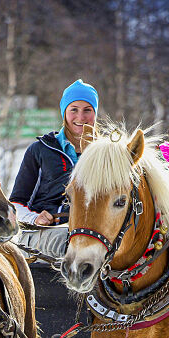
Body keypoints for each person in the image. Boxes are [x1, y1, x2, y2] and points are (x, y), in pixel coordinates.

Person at [10, 79, 99, 228]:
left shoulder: (108, 154)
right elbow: (15, 204)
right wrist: (34, 218)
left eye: (87, 110)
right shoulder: (40, 150)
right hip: (48, 232)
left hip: (95, 235)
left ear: (95, 113)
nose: (81, 117)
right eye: (74, 109)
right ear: (64, 112)